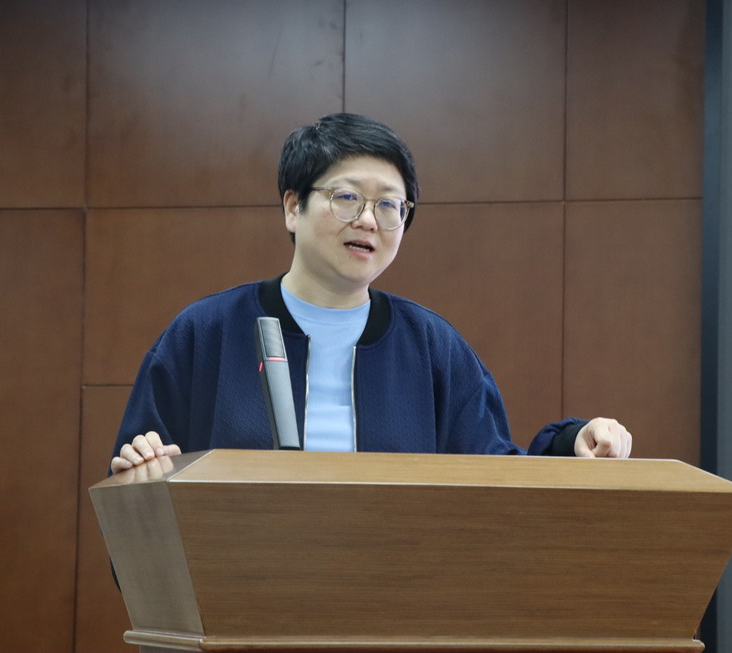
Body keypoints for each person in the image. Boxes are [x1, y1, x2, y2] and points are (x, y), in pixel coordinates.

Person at [110, 113, 632, 474]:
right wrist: (143, 469)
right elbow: (140, 482)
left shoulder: (432, 346)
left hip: (392, 595)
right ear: (292, 207)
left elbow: (494, 476)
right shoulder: (205, 332)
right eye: (347, 197)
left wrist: (573, 443)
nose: (368, 220)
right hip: (239, 594)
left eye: (389, 205)